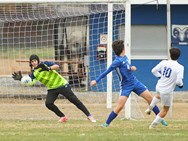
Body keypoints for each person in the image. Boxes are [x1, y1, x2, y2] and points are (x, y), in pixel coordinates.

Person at [90, 40, 167, 127]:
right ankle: (106, 124)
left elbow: (127, 68)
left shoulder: (125, 57)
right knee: (120, 106)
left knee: (150, 99)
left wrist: (131, 68)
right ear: (123, 49)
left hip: (135, 82)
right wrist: (96, 80)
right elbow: (107, 71)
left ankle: (160, 118)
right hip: (125, 86)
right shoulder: (117, 61)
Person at [12, 54, 96, 123]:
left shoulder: (44, 64)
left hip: (62, 84)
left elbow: (57, 66)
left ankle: (89, 115)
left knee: (74, 100)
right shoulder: (34, 73)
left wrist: (48, 68)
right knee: (48, 103)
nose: (34, 62)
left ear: (38, 60)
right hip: (52, 89)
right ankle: (63, 117)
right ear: (31, 63)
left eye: (35, 60)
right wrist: (21, 79)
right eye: (32, 61)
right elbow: (31, 82)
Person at [145, 48, 184, 129]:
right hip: (167, 91)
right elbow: (179, 81)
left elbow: (153, 71)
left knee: (157, 95)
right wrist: (180, 85)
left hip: (159, 86)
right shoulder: (180, 67)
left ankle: (149, 108)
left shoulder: (163, 62)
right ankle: (153, 126)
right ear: (178, 56)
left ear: (170, 55)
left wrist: (160, 76)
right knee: (165, 109)